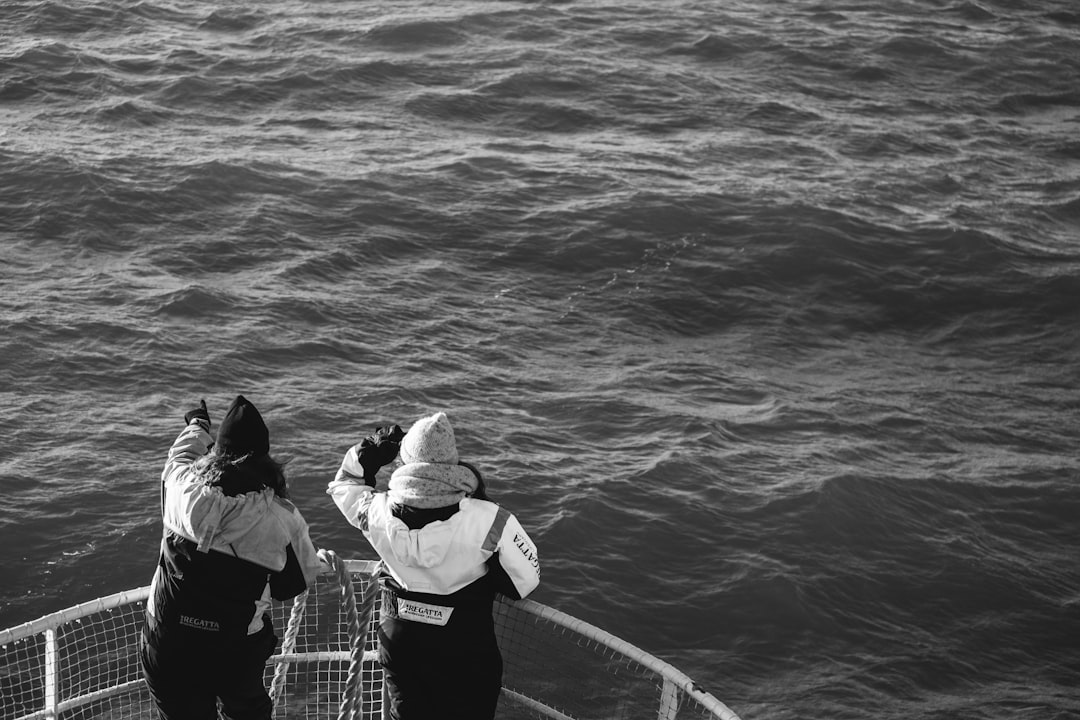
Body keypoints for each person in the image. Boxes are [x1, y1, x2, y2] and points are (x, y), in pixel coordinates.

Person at [327, 411, 540, 720]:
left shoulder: (375, 511)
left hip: (399, 643)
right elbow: (524, 582)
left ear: (405, 464)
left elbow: (345, 483)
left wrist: (375, 446)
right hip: (464, 651)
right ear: (451, 464)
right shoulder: (490, 519)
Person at [140, 395, 324, 720]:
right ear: (265, 458)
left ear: (216, 452)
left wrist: (198, 425)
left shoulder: (180, 487)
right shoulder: (281, 519)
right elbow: (291, 585)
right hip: (234, 654)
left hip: (167, 643)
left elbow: (180, 455)